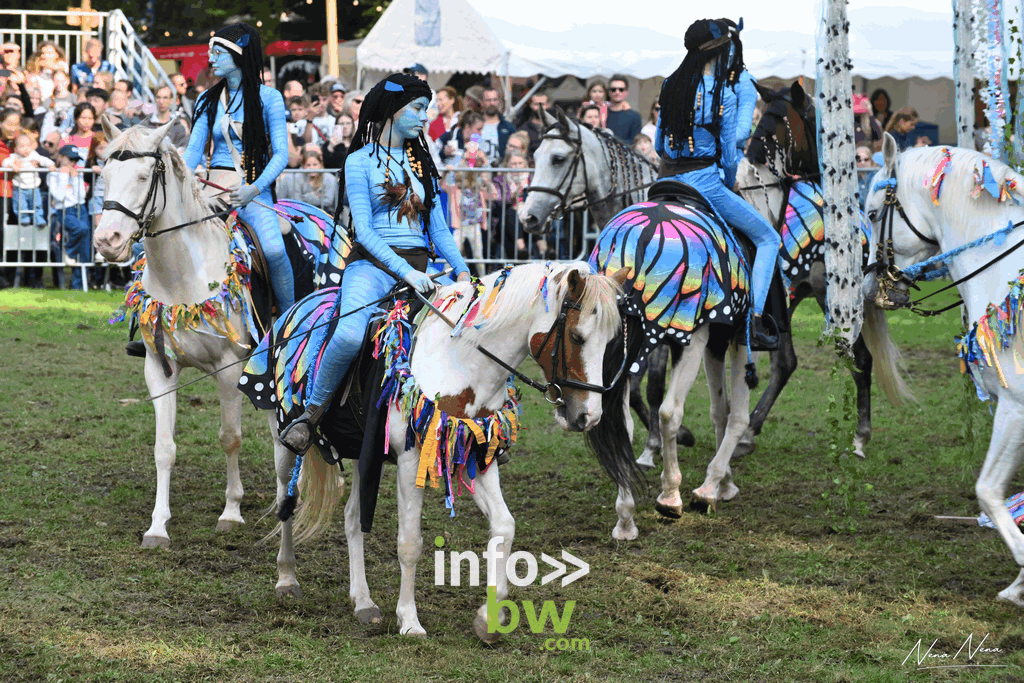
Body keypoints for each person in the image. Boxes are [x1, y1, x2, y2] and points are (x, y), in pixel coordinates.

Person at [278, 72, 472, 454]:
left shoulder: (422, 163)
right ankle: (311, 416)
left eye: (426, 110)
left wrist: (463, 271)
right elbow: (363, 231)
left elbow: (440, 231)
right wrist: (407, 274)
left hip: (423, 270)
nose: (423, 117)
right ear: (391, 110)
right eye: (417, 109)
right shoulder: (358, 162)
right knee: (349, 334)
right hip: (371, 268)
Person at [656, 18, 781, 350]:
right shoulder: (722, 93)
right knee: (769, 238)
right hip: (705, 184)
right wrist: (728, 184)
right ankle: (753, 323)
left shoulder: (669, 85)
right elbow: (728, 157)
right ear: (720, 52)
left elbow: (658, 145)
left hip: (664, 182)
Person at [183, 23, 294, 313]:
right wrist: (180, 182)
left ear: (239, 55)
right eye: (212, 52)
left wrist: (254, 190)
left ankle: (289, 320)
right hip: (211, 186)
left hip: (253, 188)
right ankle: (155, 323)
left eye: (219, 53)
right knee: (169, 236)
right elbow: (194, 151)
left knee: (273, 250)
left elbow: (281, 155)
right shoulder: (206, 99)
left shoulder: (269, 98)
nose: (212, 59)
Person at [48, 144, 91, 290]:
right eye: (69, 159)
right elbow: (59, 196)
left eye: (75, 160)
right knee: (81, 228)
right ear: (60, 157)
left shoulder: (77, 173)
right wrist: (64, 176)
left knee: (85, 248)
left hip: (80, 208)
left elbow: (81, 197)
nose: (72, 163)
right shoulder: (53, 174)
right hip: (64, 210)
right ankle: (70, 252)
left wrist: (76, 179)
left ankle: (78, 286)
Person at [2, 132, 54, 227]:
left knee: (37, 203)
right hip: (20, 186)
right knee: (20, 204)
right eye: (22, 146)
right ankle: (23, 218)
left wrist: (50, 164)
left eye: (28, 146)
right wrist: (11, 165)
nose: (26, 149)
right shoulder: (14, 157)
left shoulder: (33, 155)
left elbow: (43, 160)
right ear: (16, 149)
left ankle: (38, 218)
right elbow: (5, 162)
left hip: (34, 186)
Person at [479, 87, 516, 165]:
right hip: (478, 169)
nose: (492, 103)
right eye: (488, 100)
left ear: (498, 101)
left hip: (500, 171)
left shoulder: (508, 127)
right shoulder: (474, 125)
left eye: (495, 100)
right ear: (482, 102)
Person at [605, 74, 642, 143]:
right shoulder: (601, 113)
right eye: (613, 89)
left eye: (621, 89)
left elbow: (634, 143)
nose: (617, 92)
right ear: (609, 92)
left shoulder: (634, 116)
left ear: (626, 92)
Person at [515, 90, 550, 157]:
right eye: (536, 104)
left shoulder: (554, 128)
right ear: (531, 105)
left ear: (548, 105)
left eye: (542, 104)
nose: (539, 108)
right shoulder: (523, 129)